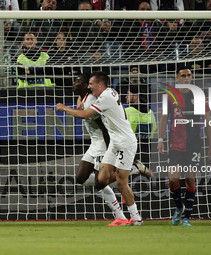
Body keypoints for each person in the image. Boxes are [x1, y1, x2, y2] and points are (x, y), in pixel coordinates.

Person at [56, 71, 144, 226]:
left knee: (120, 182)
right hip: (113, 142)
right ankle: (130, 170)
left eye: (91, 84)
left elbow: (84, 114)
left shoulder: (103, 98)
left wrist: (64, 108)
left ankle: (135, 217)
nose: (90, 87)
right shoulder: (105, 94)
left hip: (120, 142)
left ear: (100, 84)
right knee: (101, 180)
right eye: (88, 85)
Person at [157, 67, 211, 226]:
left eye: (189, 75)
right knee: (173, 179)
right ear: (177, 78)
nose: (187, 78)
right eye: (183, 75)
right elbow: (164, 118)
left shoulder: (199, 95)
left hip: (194, 144)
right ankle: (179, 207)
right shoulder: (169, 95)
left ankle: (187, 217)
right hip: (175, 145)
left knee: (191, 180)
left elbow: (207, 121)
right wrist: (160, 139)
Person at [69, 74, 129, 226]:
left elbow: (105, 128)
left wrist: (111, 150)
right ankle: (123, 171)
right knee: (80, 179)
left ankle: (120, 216)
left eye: (79, 81)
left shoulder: (92, 100)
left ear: (86, 86)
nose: (75, 83)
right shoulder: (84, 99)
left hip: (104, 143)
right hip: (94, 143)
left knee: (99, 183)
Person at [125, 85, 156, 167]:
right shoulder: (151, 113)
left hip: (129, 153)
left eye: (128, 94)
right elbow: (154, 130)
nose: (125, 97)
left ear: (135, 96)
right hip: (147, 153)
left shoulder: (127, 112)